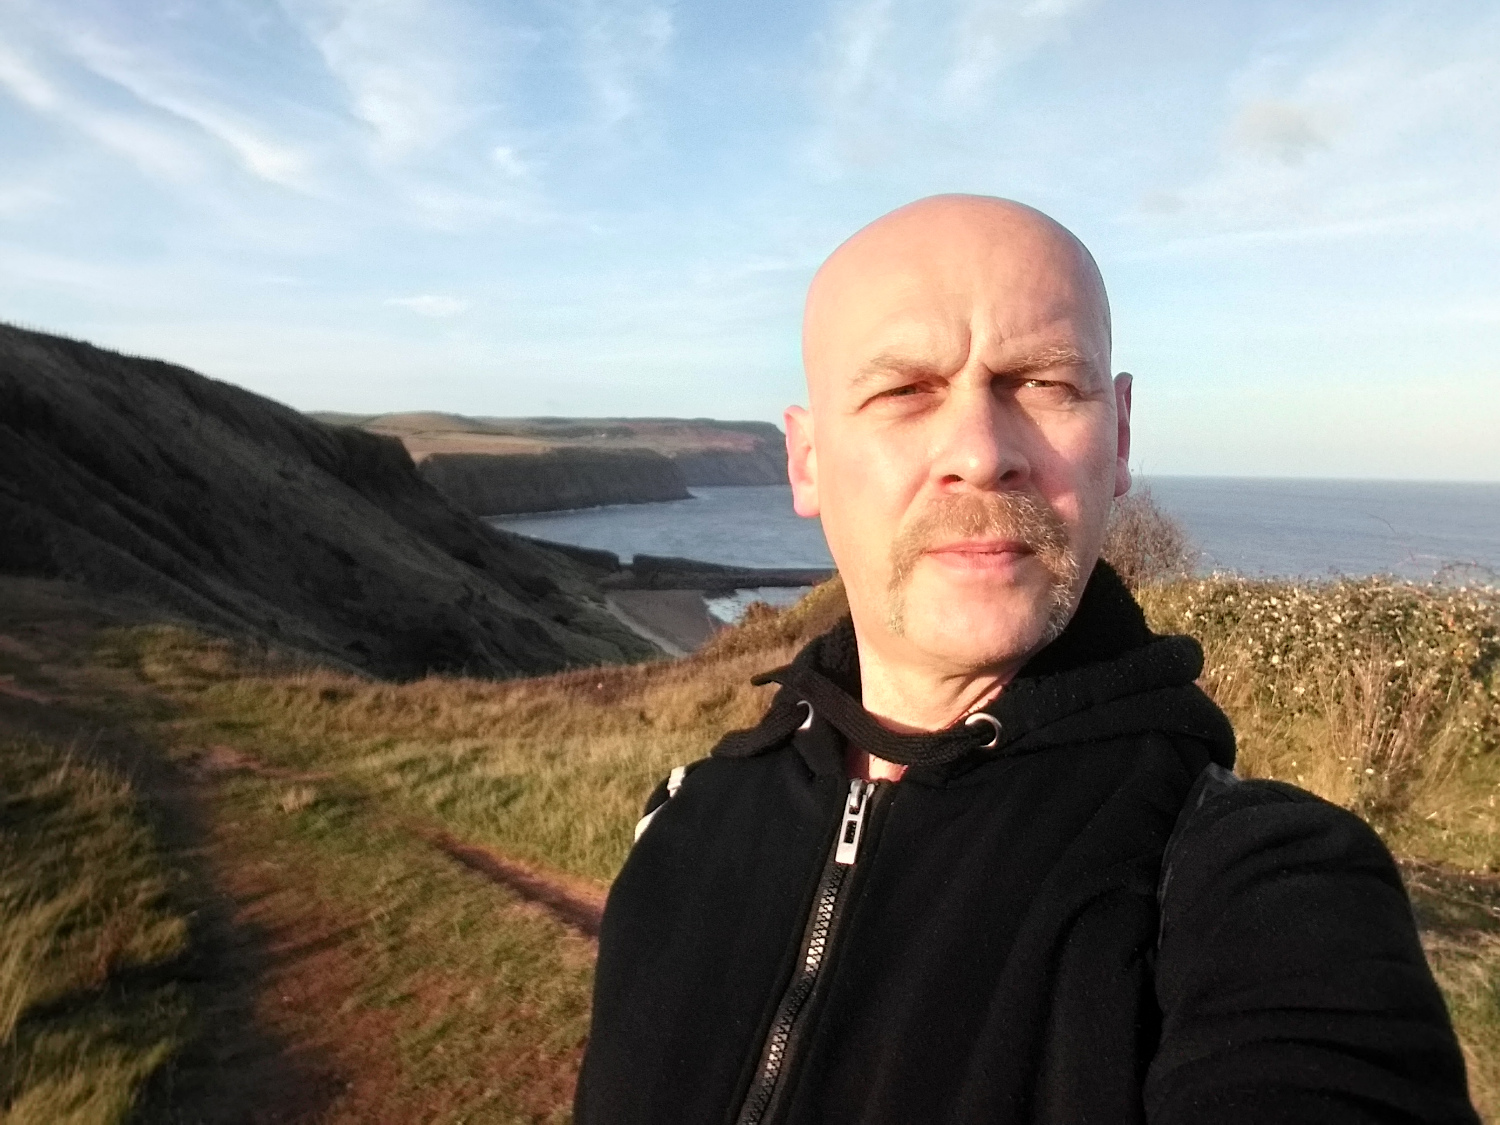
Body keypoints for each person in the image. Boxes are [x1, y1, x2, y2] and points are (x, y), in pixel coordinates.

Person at [574, 195, 1477, 1124]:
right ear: (806, 460)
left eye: (1045, 383)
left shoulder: (1259, 890)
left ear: (1119, 434)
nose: (980, 451)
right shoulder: (681, 827)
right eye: (903, 390)